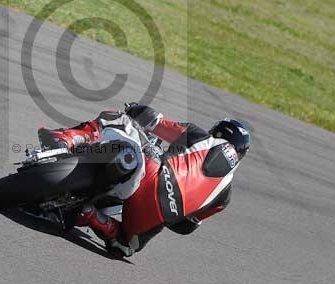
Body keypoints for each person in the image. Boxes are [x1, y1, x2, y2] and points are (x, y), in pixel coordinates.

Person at [37, 104, 250, 258]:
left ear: (218, 132)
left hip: (153, 173)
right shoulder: (224, 197)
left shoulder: (202, 137)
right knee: (125, 246)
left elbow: (152, 121)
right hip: (155, 215)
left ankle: (66, 139)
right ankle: (89, 214)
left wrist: (134, 109)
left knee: (119, 119)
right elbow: (185, 227)